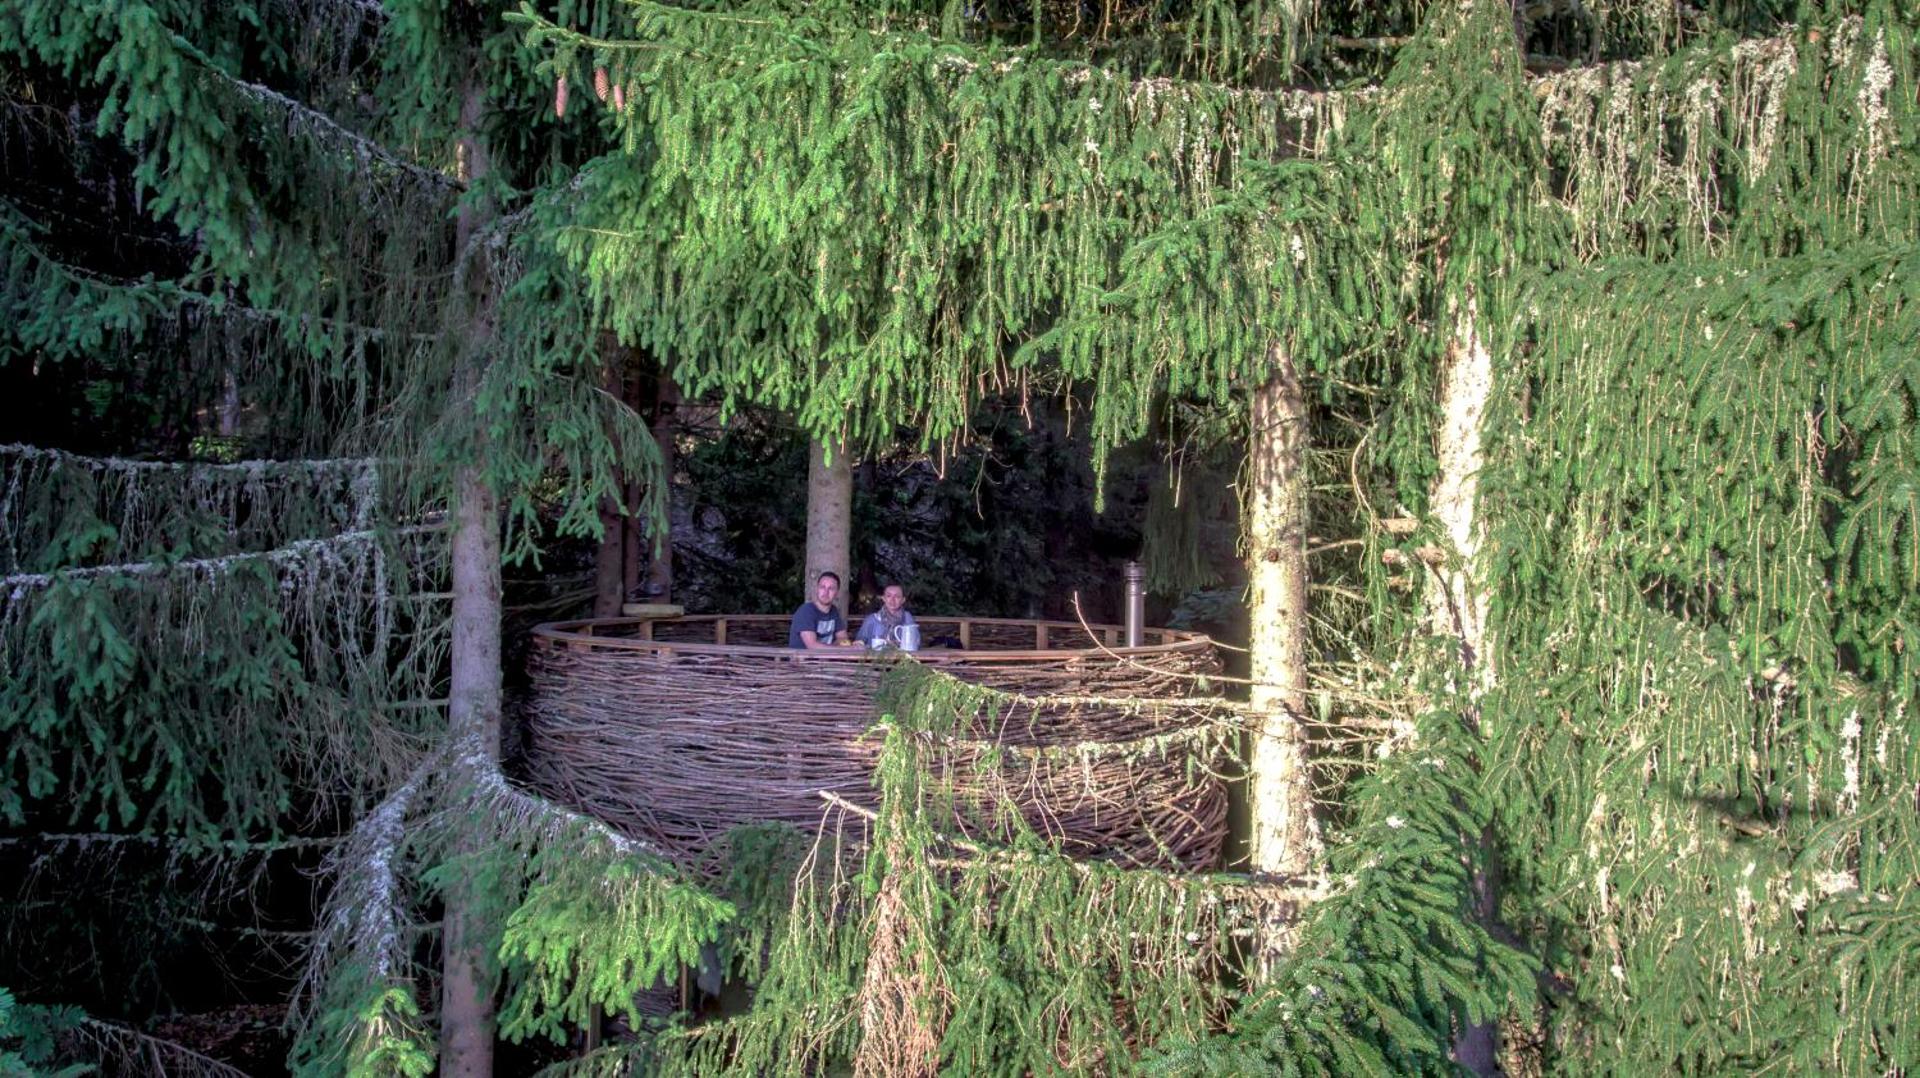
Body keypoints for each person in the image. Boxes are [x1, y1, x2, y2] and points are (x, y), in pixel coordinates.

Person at [788, 570, 851, 649]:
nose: (826, 592)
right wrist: (840, 648)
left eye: (831, 588)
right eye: (822, 587)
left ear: (837, 593)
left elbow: (843, 638)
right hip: (802, 660)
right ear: (817, 589)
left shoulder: (833, 611)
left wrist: (840, 644)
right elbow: (812, 646)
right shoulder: (806, 611)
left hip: (824, 660)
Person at [856, 583, 917, 648]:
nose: (892, 600)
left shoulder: (907, 617)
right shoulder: (872, 619)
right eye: (888, 596)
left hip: (901, 657)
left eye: (897, 597)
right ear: (883, 598)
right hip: (875, 657)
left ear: (903, 600)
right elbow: (859, 642)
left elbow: (915, 642)